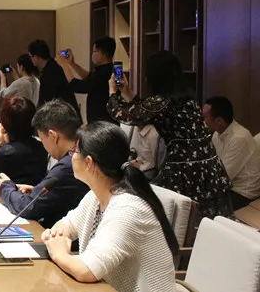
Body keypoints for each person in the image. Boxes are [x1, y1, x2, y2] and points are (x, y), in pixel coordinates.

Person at [42, 122, 178, 292]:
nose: (71, 156)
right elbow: (67, 224)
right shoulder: (96, 196)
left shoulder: (128, 209)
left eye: (74, 151)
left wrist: (59, 253)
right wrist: (57, 236)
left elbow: (86, 271)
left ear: (89, 162)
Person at [107, 51, 233, 221]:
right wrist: (127, 91)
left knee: (178, 220)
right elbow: (144, 109)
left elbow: (122, 113)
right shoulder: (188, 99)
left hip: (185, 169)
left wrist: (113, 92)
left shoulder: (162, 103)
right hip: (209, 168)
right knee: (211, 220)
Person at [0, 99, 88, 228]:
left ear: (53, 136)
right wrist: (36, 191)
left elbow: (26, 207)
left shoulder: (68, 165)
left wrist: (6, 187)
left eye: (42, 139)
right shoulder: (81, 153)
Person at [203, 96, 260, 209]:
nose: (203, 121)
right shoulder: (216, 134)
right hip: (229, 187)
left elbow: (223, 176)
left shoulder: (239, 138)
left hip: (243, 193)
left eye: (205, 117)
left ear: (219, 121)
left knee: (204, 204)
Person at [0, 96, 47, 184]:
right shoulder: (42, 148)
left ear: (5, 121)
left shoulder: (4, 152)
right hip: (35, 192)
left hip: (8, 192)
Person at [57, 37, 117, 124]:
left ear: (103, 54)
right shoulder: (108, 69)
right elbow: (90, 78)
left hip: (103, 123)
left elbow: (78, 86)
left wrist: (64, 66)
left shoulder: (105, 73)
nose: (92, 54)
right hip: (103, 121)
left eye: (94, 51)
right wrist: (72, 64)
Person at [27, 40, 79, 114]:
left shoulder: (49, 73)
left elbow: (48, 102)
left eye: (30, 56)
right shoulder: (55, 66)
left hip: (62, 114)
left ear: (36, 57)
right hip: (69, 111)